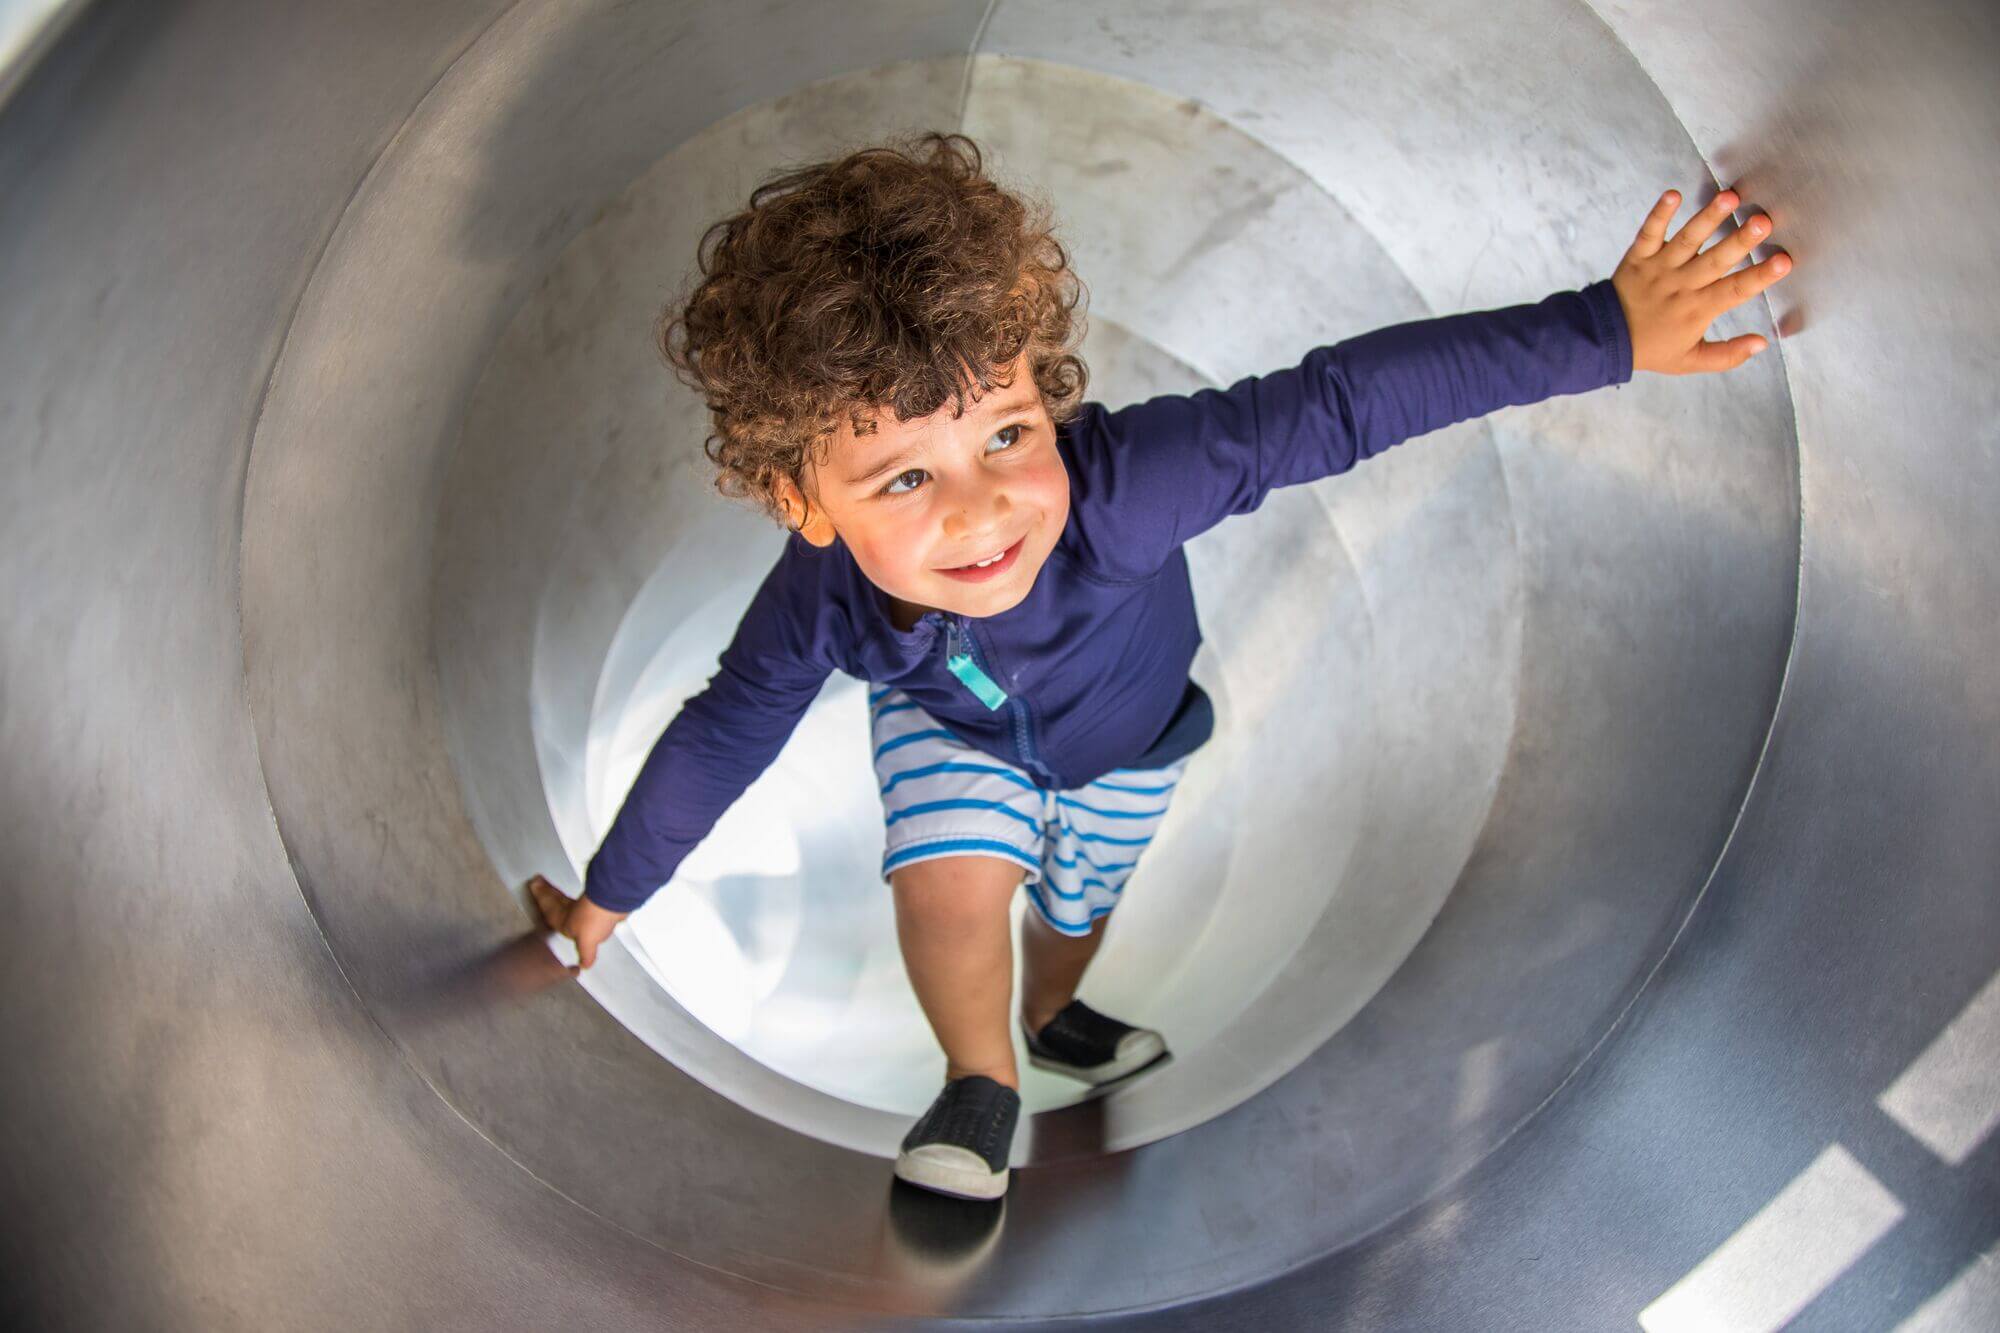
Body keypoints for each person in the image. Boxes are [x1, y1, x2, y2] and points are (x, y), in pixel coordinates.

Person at [527, 130, 1792, 1201]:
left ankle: (1049, 1013)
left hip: (1130, 739)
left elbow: (1337, 404)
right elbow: (725, 730)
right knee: (951, 887)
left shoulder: (1125, 487)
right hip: (948, 732)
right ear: (804, 502)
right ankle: (979, 1086)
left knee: (1075, 907)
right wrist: (604, 904)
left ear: (1045, 394)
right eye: (903, 478)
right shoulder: (819, 601)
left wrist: (1603, 329)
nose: (979, 510)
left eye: (1004, 434)